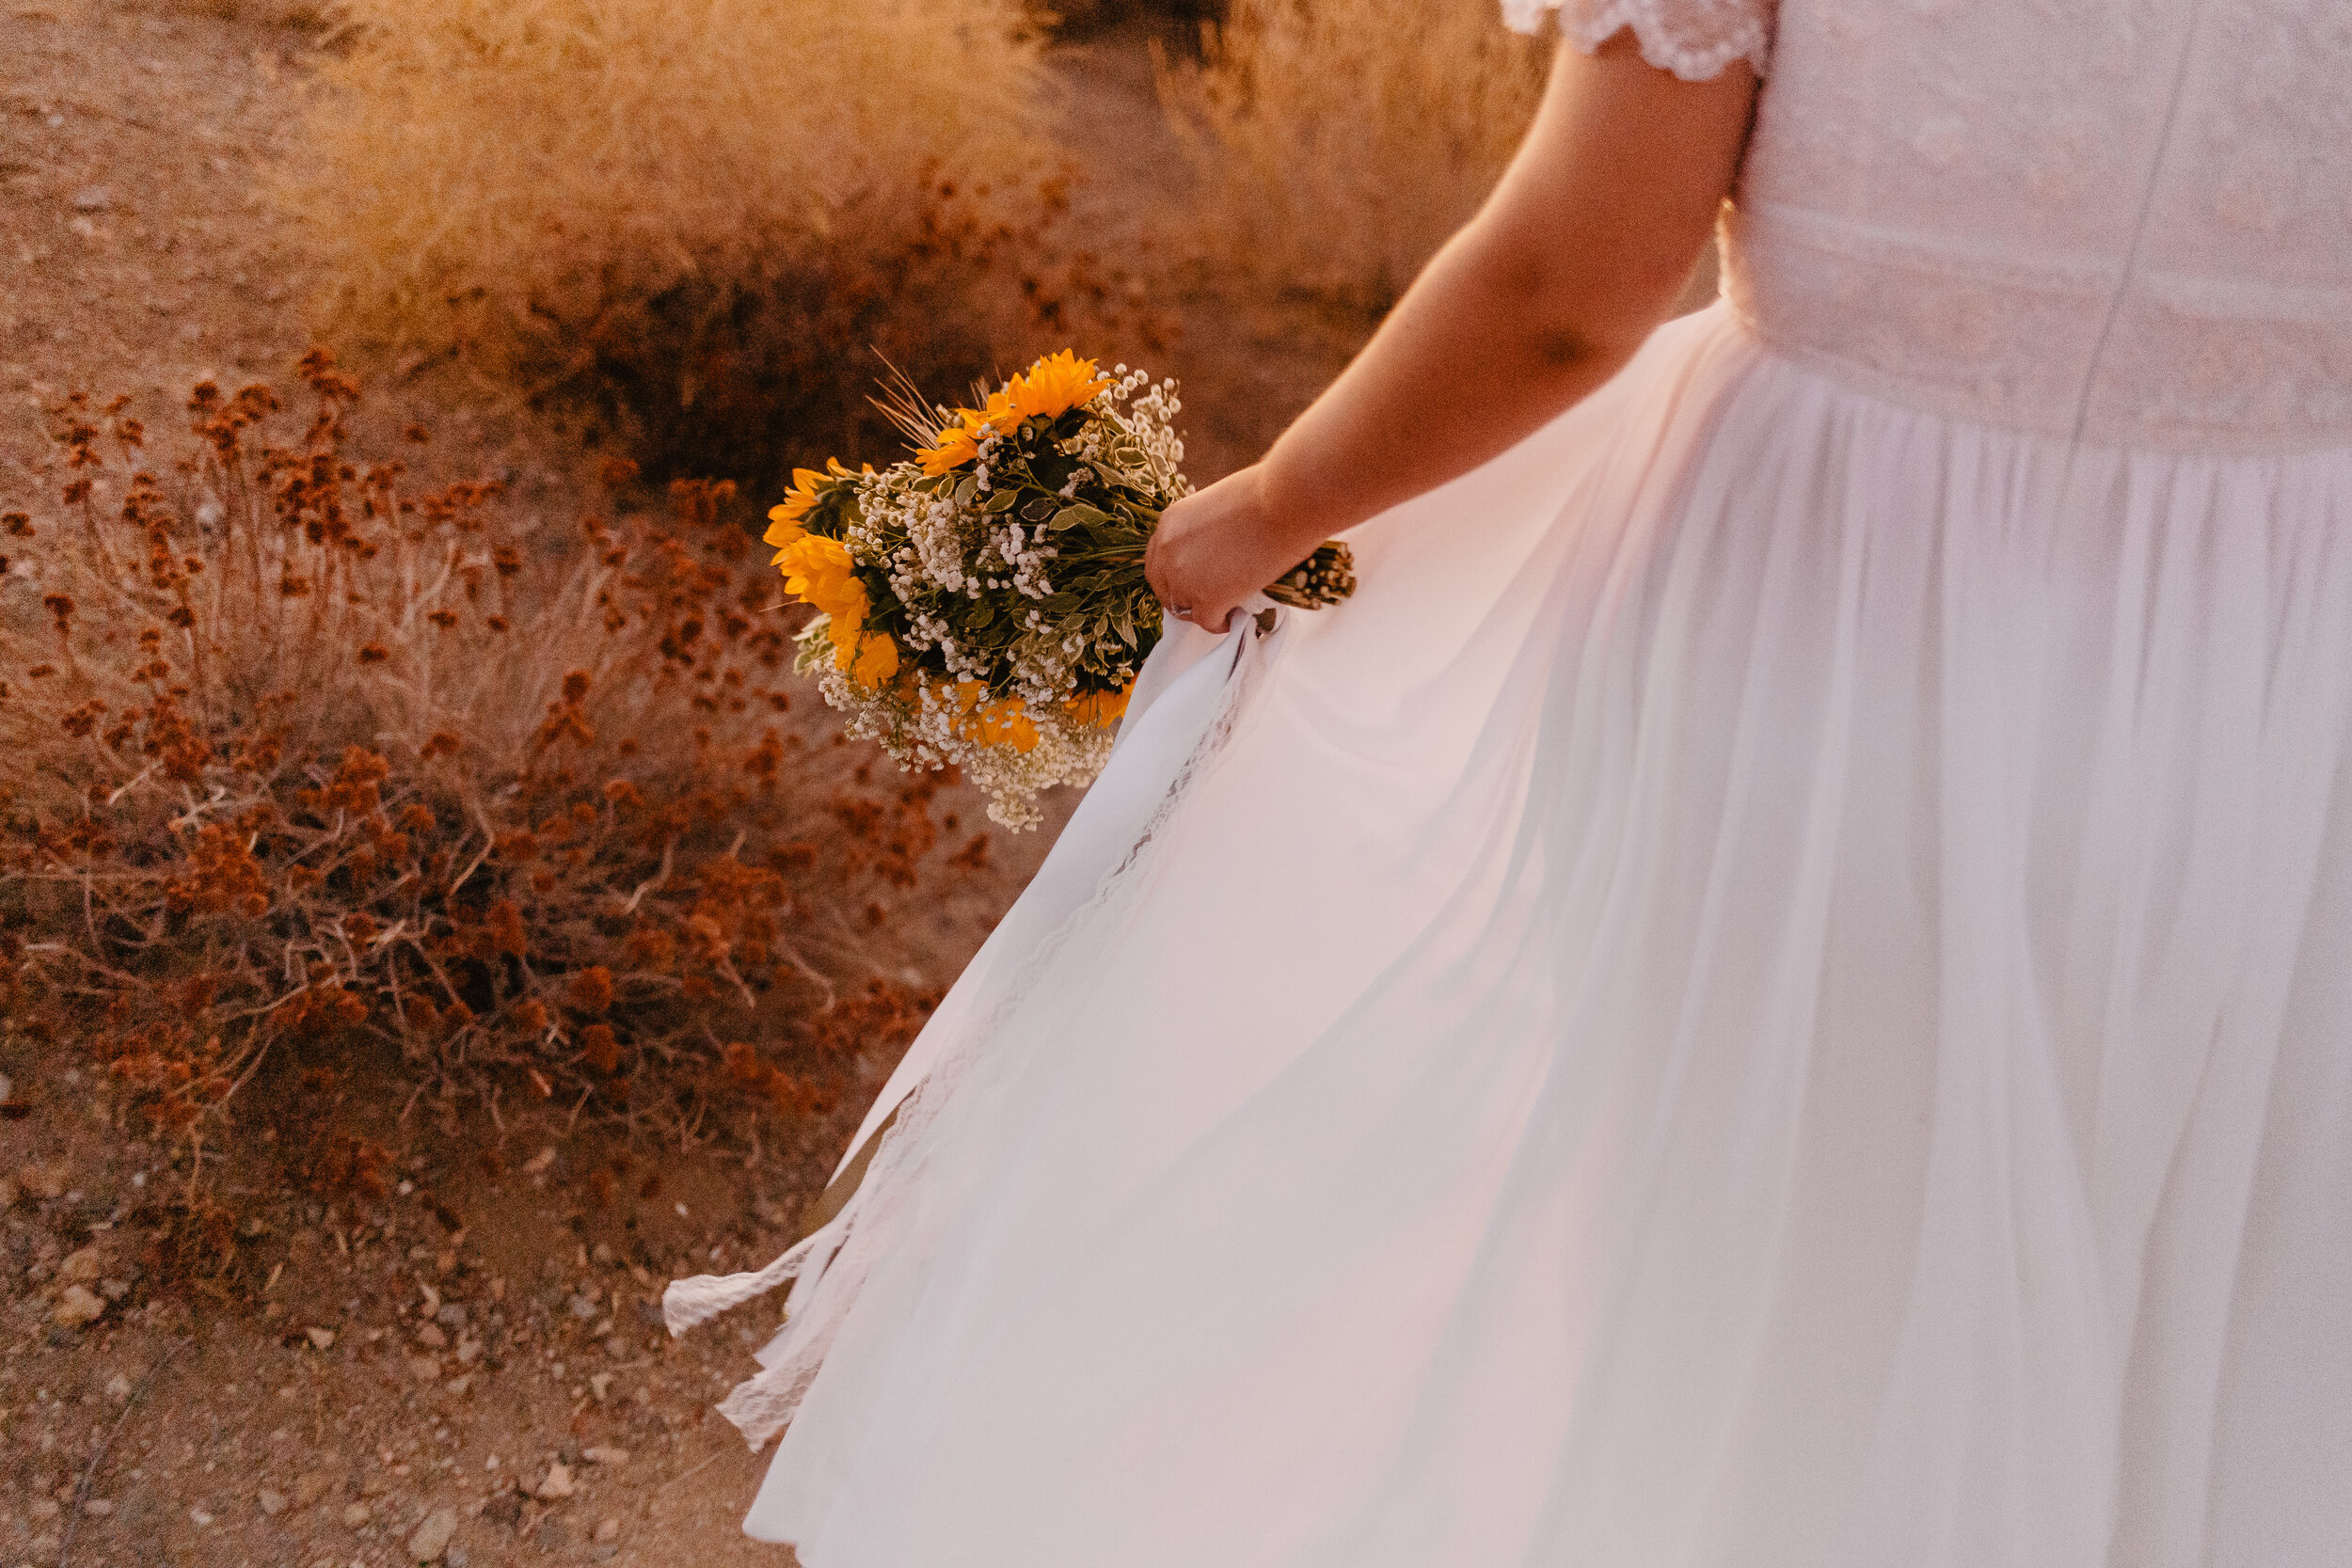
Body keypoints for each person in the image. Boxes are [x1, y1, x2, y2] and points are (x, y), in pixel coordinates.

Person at [668, 1, 2352, 1561]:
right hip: (2284, 661)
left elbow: (1574, 288)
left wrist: (1265, 511)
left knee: (1757, 1255)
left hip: (1823, 626)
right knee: (2195, 1259)